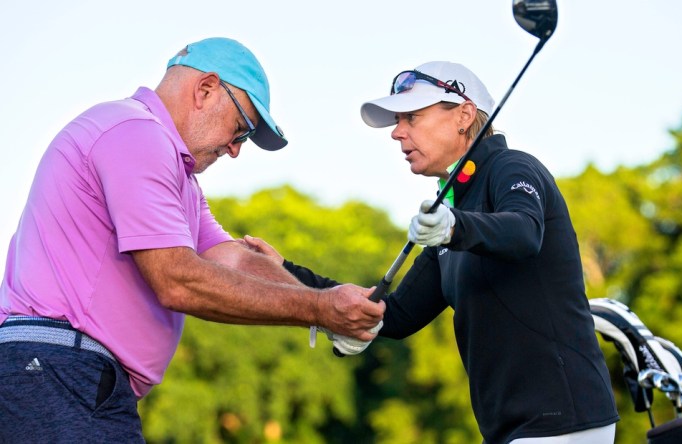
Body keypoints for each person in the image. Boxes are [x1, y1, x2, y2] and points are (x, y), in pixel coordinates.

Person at [0, 37, 384, 442]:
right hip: (59, 370)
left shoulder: (178, 174)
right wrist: (321, 308)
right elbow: (177, 280)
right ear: (205, 89)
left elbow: (230, 258)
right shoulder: (136, 134)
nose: (236, 150)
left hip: (70, 376)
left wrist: (331, 307)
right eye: (241, 130)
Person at [247, 61, 620, 443]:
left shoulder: (512, 168)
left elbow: (525, 232)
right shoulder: (450, 207)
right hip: (511, 427)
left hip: (565, 420)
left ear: (464, 114)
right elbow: (395, 315)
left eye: (411, 117)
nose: (396, 132)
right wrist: (287, 274)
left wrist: (454, 226)